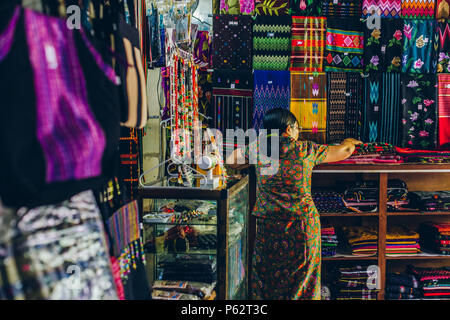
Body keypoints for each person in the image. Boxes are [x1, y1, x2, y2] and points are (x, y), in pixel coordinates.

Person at [226, 108, 362, 300]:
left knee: (268, 281)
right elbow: (345, 151)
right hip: (302, 227)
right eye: (298, 128)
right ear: (289, 130)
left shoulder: (258, 149)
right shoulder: (306, 149)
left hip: (269, 228)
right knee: (304, 283)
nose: (299, 133)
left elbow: (231, 160)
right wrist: (348, 142)